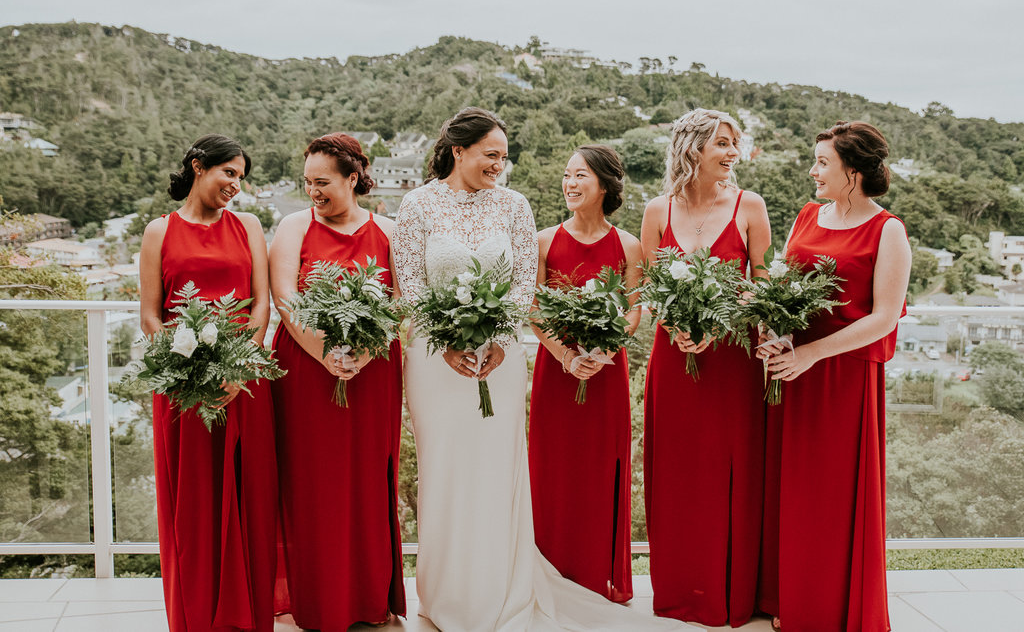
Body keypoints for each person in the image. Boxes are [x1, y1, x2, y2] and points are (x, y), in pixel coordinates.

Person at [393, 107, 694, 632]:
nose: (499, 166)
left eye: (504, 158)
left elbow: (521, 287)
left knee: (495, 470)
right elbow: (411, 283)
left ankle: (500, 590)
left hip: (503, 356)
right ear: (458, 149)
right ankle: (443, 595)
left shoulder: (514, 204)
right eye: (491, 155)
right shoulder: (416, 204)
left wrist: (503, 341)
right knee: (443, 470)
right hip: (435, 359)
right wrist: (445, 343)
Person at [758, 121, 909, 632]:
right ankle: (791, 601)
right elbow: (783, 286)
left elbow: (884, 316)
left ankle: (830, 612)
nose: (813, 170)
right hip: (792, 370)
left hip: (842, 378)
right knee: (792, 491)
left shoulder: (887, 229)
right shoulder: (806, 215)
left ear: (855, 170)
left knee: (832, 496)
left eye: (823, 162)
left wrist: (814, 354)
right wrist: (776, 333)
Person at [139, 135, 277, 632]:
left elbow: (261, 305)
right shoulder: (159, 230)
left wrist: (240, 367)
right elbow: (151, 317)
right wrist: (193, 374)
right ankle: (196, 616)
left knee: (249, 497)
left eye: (241, 176)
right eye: (228, 173)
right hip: (183, 388)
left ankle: (247, 616)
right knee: (193, 503)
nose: (235, 184)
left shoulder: (250, 226)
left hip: (244, 381)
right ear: (199, 167)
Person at [640, 108, 771, 627]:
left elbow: (762, 286)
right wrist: (674, 325)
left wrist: (720, 324)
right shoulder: (657, 211)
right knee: (677, 472)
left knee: (729, 471)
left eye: (735, 143)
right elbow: (648, 289)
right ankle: (678, 590)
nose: (733, 152)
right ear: (693, 148)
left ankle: (730, 593)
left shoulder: (749, 205)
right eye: (723, 142)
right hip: (673, 359)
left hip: (732, 360)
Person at [268, 133, 405, 629]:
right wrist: (326, 353)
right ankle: (318, 600)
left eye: (322, 182)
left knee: (369, 480)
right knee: (312, 483)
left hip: (373, 373)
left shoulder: (390, 230)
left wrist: (363, 353)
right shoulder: (291, 226)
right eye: (307, 182)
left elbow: (398, 302)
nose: (313, 192)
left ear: (353, 178)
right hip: (305, 368)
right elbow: (284, 298)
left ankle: (369, 599)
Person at [529, 145, 643, 603]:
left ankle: (600, 575)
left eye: (580, 176)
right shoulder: (542, 241)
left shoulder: (629, 245)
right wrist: (564, 355)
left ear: (604, 185)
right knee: (553, 471)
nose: (570, 184)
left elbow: (635, 310)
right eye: (566, 175)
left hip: (606, 372)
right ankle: (550, 573)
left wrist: (601, 349)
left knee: (602, 470)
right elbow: (532, 310)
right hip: (557, 373)